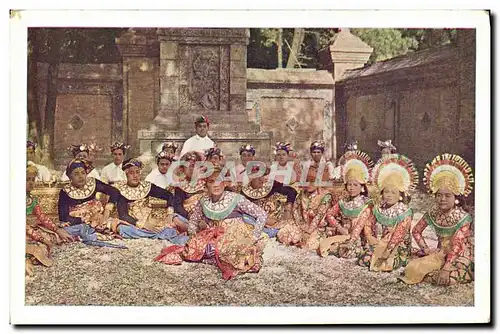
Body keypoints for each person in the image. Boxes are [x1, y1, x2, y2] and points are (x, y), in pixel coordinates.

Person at [154, 166, 268, 280]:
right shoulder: (203, 201)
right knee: (193, 249)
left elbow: (262, 214)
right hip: (211, 236)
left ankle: (219, 256)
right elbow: (193, 221)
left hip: (235, 235)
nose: (216, 185)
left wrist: (254, 236)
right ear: (206, 184)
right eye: (211, 181)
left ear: (224, 183)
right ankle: (213, 255)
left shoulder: (236, 198)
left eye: (219, 181)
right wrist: (193, 235)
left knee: (233, 251)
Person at [401, 153, 474, 286]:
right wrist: (427, 249)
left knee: (449, 279)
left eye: (447, 195)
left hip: (461, 256)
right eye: (439, 195)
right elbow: (416, 231)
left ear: (456, 197)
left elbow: (457, 245)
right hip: (440, 255)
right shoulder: (433, 212)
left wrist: (446, 268)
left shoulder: (463, 217)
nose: (442, 199)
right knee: (411, 265)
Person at [356, 154, 418, 272]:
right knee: (363, 259)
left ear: (400, 195)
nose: (389, 195)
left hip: (398, 248)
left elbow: (398, 235)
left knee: (381, 263)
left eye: (393, 193)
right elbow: (369, 224)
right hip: (381, 244)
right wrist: (372, 240)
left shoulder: (405, 211)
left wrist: (387, 251)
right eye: (386, 192)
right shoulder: (380, 208)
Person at [113, 158, 188, 244]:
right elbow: (123, 215)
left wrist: (170, 213)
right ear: (126, 174)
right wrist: (144, 225)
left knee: (176, 217)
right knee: (123, 229)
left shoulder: (146, 187)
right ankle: (161, 234)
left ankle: (162, 232)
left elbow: (169, 195)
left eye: (137, 172)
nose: (135, 176)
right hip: (135, 222)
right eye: (131, 173)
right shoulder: (121, 190)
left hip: (152, 218)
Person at [318, 150, 376, 259]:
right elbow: (329, 215)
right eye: (349, 184)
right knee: (325, 246)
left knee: (346, 252)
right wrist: (340, 228)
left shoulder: (367, 203)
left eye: (355, 185)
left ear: (362, 187)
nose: (352, 188)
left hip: (360, 239)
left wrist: (351, 239)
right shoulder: (343, 201)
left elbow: (361, 227)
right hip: (344, 234)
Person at [57, 159, 128, 248]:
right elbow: (63, 217)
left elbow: (114, 191)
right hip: (80, 224)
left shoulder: (93, 183)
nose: (81, 176)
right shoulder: (65, 192)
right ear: (70, 177)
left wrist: (107, 209)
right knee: (74, 231)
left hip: (100, 220)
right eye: (76, 174)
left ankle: (149, 234)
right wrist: (86, 219)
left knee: (122, 227)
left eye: (83, 173)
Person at [26, 164, 75, 275]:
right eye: (27, 179)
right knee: (41, 244)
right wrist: (42, 240)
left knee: (53, 236)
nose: (30, 183)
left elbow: (42, 217)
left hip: (29, 231)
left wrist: (58, 230)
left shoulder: (32, 199)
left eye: (33, 180)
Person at [276, 162, 334, 251]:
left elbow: (319, 216)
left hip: (318, 229)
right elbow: (295, 210)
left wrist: (308, 232)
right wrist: (301, 227)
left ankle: (301, 242)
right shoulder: (302, 194)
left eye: (312, 181)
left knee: (310, 244)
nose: (308, 184)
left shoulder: (325, 196)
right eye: (306, 180)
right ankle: (298, 241)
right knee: (283, 234)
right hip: (302, 226)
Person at [241, 165, 297, 238]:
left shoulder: (272, 185)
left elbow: (292, 191)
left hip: (278, 220)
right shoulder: (244, 192)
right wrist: (263, 219)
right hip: (258, 221)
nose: (261, 180)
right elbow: (243, 210)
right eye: (257, 177)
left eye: (262, 176)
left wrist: (287, 210)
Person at [171, 151, 207, 219]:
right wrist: (189, 216)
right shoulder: (179, 187)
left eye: (194, 166)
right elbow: (178, 207)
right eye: (188, 166)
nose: (192, 169)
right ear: (183, 169)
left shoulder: (206, 183)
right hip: (187, 218)